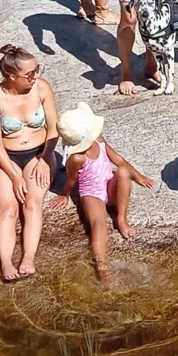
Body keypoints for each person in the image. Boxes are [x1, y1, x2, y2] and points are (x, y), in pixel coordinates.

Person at [49, 102, 154, 282]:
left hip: (109, 184)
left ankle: (121, 218)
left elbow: (118, 160)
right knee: (99, 224)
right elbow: (72, 179)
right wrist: (65, 194)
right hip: (91, 193)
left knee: (123, 173)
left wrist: (138, 176)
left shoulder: (99, 139)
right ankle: (102, 266)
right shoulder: (77, 158)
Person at [0, 45, 60, 282]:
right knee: (8, 207)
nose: (35, 76)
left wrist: (46, 158)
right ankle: (5, 262)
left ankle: (28, 256)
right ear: (11, 76)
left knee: (33, 202)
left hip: (40, 152)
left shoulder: (42, 87)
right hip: (7, 156)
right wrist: (14, 175)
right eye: (30, 74)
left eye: (36, 70)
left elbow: (53, 127)